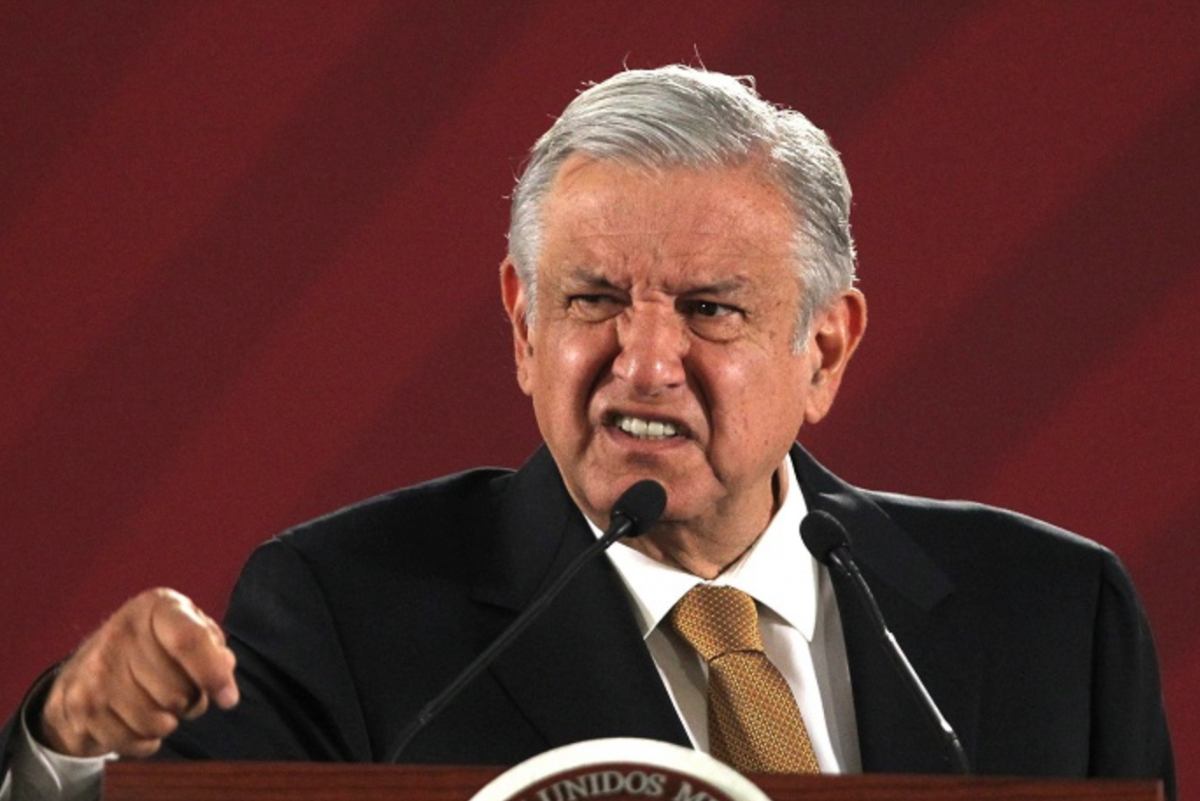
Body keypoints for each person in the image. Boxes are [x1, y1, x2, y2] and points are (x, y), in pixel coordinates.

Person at [0, 65, 1175, 800]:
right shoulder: (349, 612)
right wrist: (65, 749)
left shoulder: (1055, 616)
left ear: (824, 349)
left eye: (710, 309)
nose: (643, 362)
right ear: (524, 326)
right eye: (594, 299)